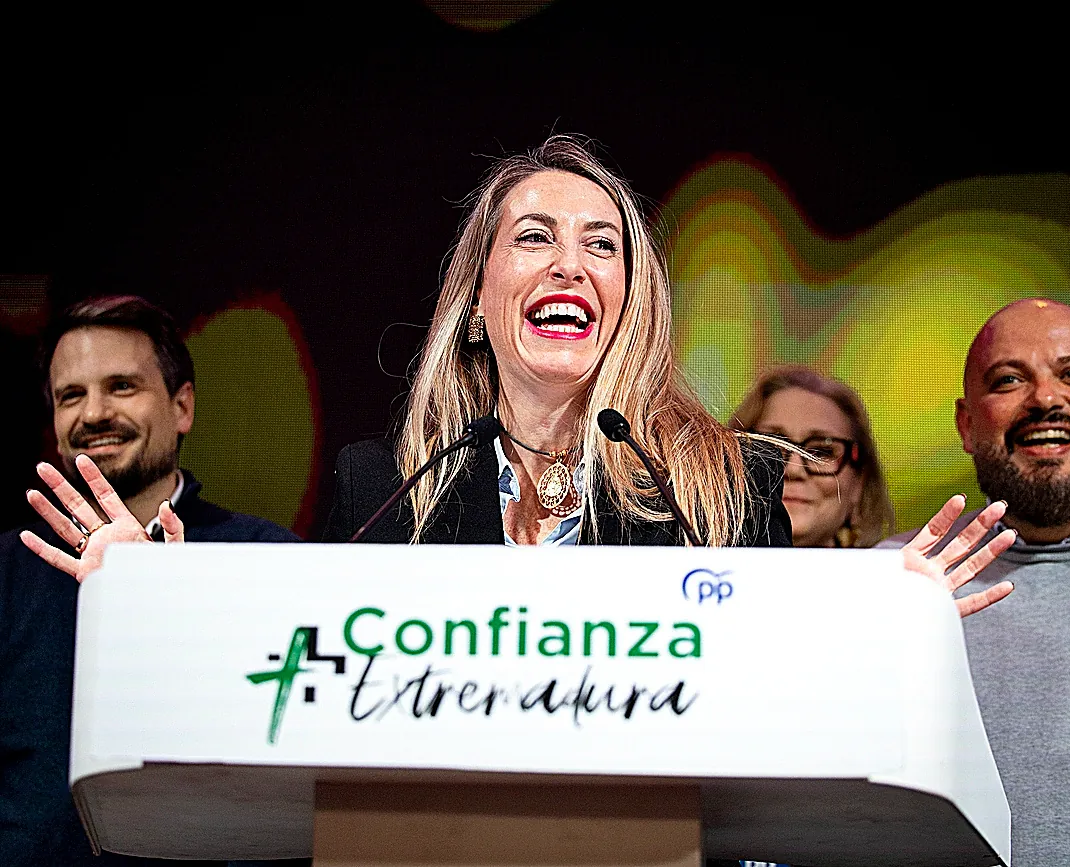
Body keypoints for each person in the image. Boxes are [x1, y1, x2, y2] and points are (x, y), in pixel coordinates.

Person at [321, 135, 1013, 617]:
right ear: (476, 296)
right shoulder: (377, 491)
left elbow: (769, 680)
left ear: (630, 303)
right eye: (534, 236)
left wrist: (879, 624)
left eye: (601, 245)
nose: (569, 265)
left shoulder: (729, 491)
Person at [0, 296, 301, 866]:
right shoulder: (9, 569)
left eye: (121, 387)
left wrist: (164, 607)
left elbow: (291, 769)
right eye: (71, 396)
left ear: (182, 406)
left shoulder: (268, 560)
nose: (94, 413)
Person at [880, 297, 1070, 864]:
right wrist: (864, 634)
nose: (1045, 399)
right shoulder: (897, 583)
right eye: (1008, 380)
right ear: (966, 424)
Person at [730, 365, 896, 548]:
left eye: (821, 452)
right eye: (770, 447)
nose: (794, 470)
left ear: (859, 485)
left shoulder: (897, 564)